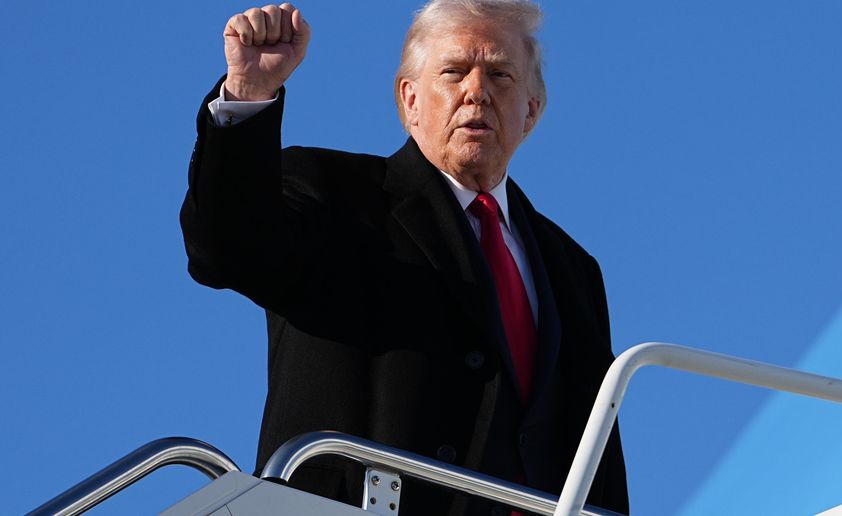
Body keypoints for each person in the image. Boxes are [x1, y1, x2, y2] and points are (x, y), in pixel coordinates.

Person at [180, 1, 629, 514]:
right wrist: (248, 94)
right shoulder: (335, 194)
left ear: (531, 109)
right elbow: (227, 249)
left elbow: (595, 450)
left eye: (501, 74)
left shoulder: (572, 268)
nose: (476, 91)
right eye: (454, 71)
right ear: (410, 99)